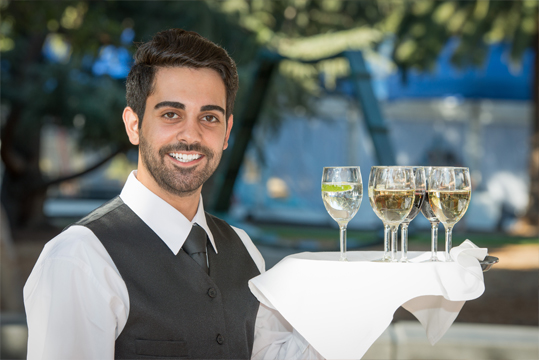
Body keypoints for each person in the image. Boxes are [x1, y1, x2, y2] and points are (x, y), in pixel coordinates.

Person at [24, 29, 323, 360]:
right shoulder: (79, 259)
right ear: (134, 125)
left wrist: (355, 303)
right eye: (171, 114)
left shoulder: (244, 250)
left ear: (226, 133)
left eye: (209, 117)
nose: (191, 135)